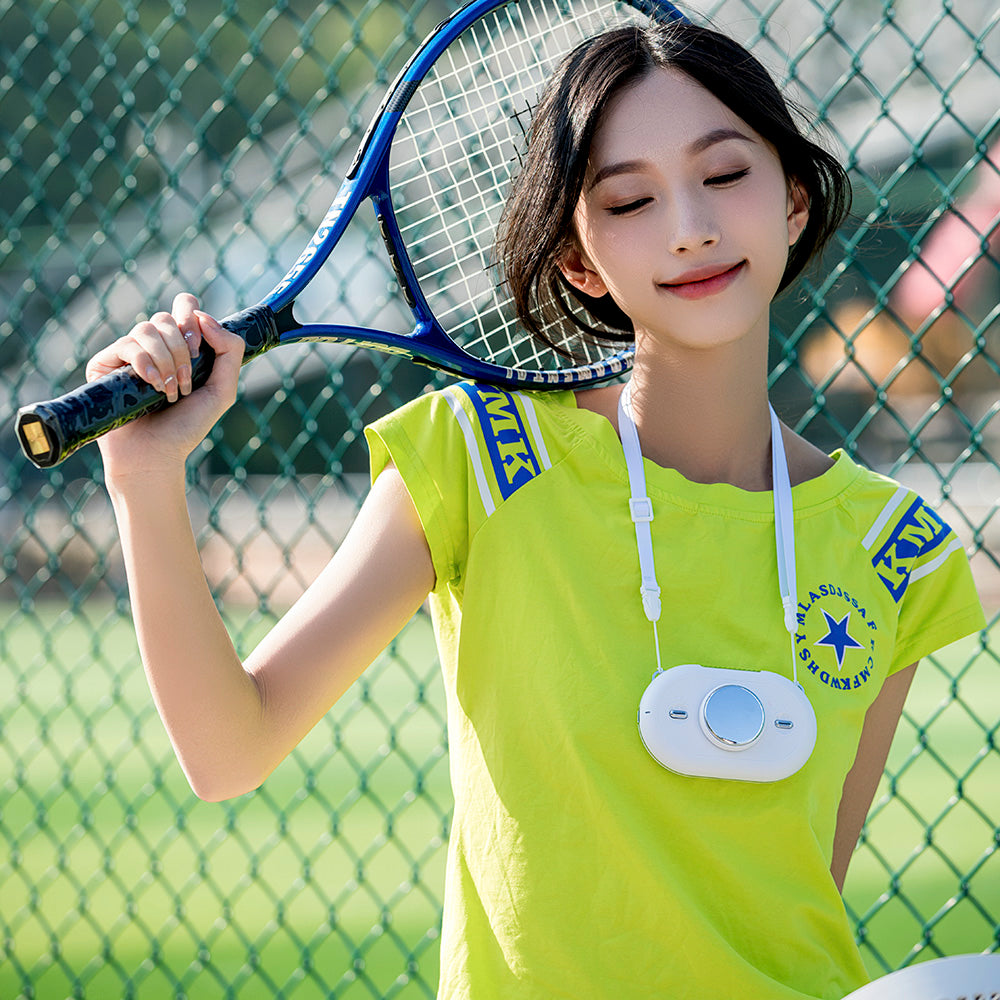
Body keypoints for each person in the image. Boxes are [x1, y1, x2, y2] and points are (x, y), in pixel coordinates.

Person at [86, 19, 985, 1000]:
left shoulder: (895, 550)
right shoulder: (475, 457)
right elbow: (228, 750)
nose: (688, 224)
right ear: (578, 262)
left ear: (794, 202)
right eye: (630, 200)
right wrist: (145, 481)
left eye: (725, 176)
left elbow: (796, 892)